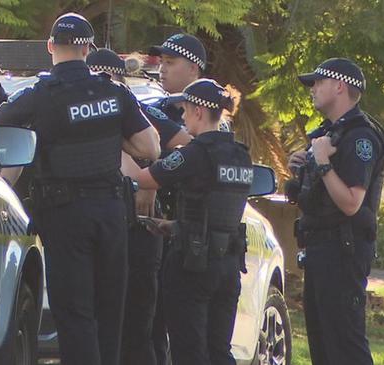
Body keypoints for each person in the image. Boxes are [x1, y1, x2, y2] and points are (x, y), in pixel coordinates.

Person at [0, 13, 160, 365]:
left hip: (65, 216)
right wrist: (117, 139)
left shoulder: (40, 95)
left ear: (50, 47)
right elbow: (151, 148)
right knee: (109, 313)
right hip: (112, 215)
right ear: (88, 48)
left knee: (75, 315)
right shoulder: (114, 91)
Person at [131, 78, 251, 365]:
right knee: (219, 351)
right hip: (229, 265)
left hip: (193, 265)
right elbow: (217, 208)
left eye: (185, 111)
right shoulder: (241, 155)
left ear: (198, 111)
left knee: (189, 351)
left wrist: (122, 152)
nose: (182, 119)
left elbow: (145, 179)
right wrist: (175, 225)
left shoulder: (195, 153)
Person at [87, 48, 191, 365]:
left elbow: (190, 148)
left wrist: (152, 179)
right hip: (94, 231)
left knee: (139, 326)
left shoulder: (143, 112)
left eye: (108, 78)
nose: (102, 86)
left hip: (140, 230)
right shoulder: (73, 117)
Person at [286, 58, 384, 365]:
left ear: (340, 86)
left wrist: (323, 163)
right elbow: (317, 197)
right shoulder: (328, 134)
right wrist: (303, 171)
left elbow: (350, 203)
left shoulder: (360, 137)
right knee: (323, 346)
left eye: (318, 83)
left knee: (345, 345)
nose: (313, 90)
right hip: (320, 248)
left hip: (343, 251)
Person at [145, 32, 209, 364]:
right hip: (156, 230)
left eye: (171, 63)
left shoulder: (211, 109)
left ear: (195, 69)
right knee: (151, 326)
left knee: (190, 337)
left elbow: (196, 151)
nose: (162, 69)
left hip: (193, 239)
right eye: (161, 63)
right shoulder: (157, 107)